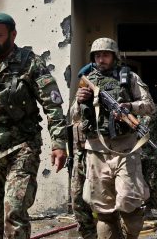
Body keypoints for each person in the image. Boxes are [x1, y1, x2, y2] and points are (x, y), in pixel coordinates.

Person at [0, 13, 67, 238]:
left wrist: (58, 144)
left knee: (14, 210)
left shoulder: (31, 63)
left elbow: (52, 105)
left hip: (22, 147)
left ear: (13, 34)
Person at [72, 38, 155, 239]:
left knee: (129, 201)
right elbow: (74, 116)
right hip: (97, 150)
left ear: (114, 56)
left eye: (106, 55)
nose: (101, 59)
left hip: (125, 148)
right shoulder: (87, 80)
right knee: (103, 208)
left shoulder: (129, 77)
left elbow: (149, 106)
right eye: (98, 55)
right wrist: (80, 101)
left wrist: (130, 107)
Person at [69, 99, 98, 239]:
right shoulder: (80, 97)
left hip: (100, 153)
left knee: (104, 200)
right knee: (77, 199)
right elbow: (73, 116)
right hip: (79, 154)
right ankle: (88, 235)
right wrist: (79, 101)